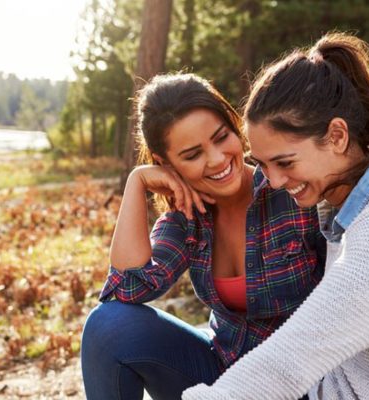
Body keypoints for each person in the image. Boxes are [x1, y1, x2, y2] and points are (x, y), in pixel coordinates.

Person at [81, 73, 325, 400]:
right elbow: (126, 290)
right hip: (223, 375)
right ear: (166, 164)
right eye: (193, 154)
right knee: (107, 326)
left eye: (221, 137)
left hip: (303, 383)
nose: (217, 159)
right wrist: (136, 183)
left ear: (234, 125)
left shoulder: (292, 192)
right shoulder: (188, 219)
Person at [182, 32, 369, 400]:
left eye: (285, 162)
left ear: (336, 136)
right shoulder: (342, 205)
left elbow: (287, 364)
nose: (272, 182)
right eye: (263, 165)